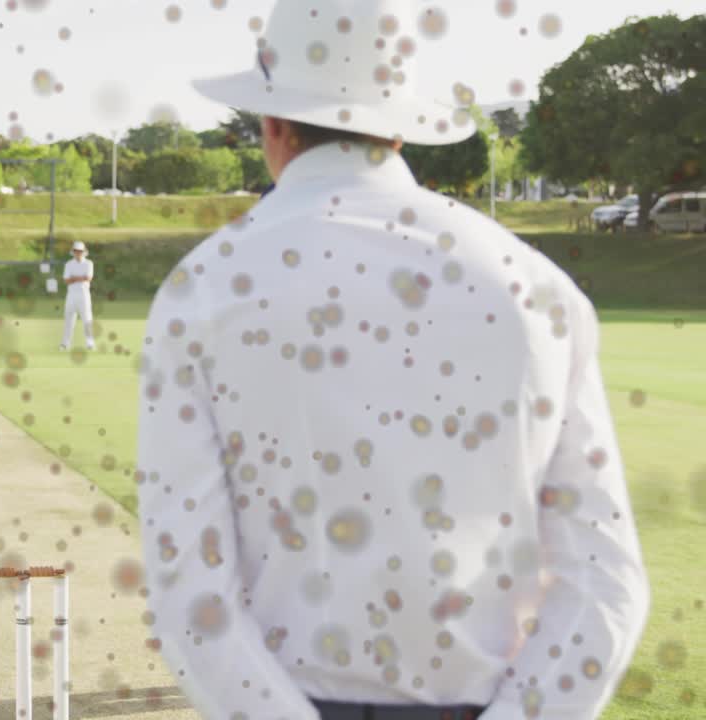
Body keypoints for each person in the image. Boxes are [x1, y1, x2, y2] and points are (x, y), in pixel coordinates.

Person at [136, 2, 650, 720]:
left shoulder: (203, 289)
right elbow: (603, 583)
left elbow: (190, 590)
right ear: (400, 127)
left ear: (273, 125)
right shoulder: (536, 289)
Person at [60, 240, 95, 351]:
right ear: (73, 252)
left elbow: (88, 278)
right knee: (69, 319)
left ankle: (90, 343)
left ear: (84, 252)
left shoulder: (89, 263)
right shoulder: (69, 264)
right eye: (76, 251)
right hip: (71, 295)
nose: (78, 253)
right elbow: (66, 280)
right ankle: (65, 344)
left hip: (84, 295)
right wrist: (79, 278)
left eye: (80, 251)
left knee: (87, 319)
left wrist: (74, 278)